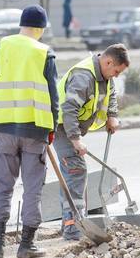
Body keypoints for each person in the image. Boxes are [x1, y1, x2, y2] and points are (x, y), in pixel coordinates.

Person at [0, 5, 59, 258]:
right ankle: (26, 246)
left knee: (3, 186)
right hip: (35, 131)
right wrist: (52, 129)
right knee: (32, 189)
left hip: (4, 130)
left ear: (21, 25)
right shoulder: (44, 53)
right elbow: (53, 97)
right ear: (41, 28)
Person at [53, 43, 130, 240]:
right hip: (63, 128)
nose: (116, 75)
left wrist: (112, 115)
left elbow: (110, 94)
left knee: (75, 176)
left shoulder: (104, 75)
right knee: (76, 172)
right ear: (108, 61)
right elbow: (69, 109)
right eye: (116, 70)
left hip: (73, 128)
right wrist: (75, 139)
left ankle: (72, 225)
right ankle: (73, 231)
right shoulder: (83, 76)